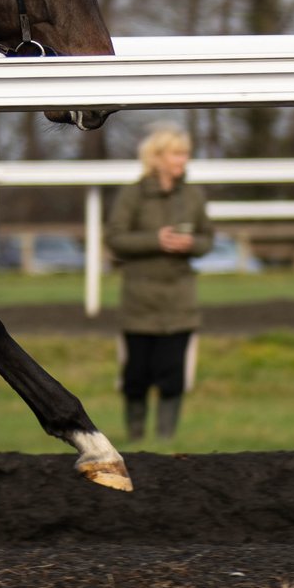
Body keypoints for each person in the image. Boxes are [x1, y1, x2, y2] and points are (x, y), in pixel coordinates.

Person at [104, 126, 209, 442]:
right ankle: (135, 438)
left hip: (180, 302)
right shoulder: (132, 195)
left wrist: (191, 244)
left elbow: (208, 238)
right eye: (177, 153)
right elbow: (115, 239)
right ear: (157, 157)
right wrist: (155, 240)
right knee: (136, 375)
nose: (183, 160)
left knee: (172, 376)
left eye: (185, 153)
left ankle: (166, 439)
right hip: (139, 302)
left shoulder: (193, 195)